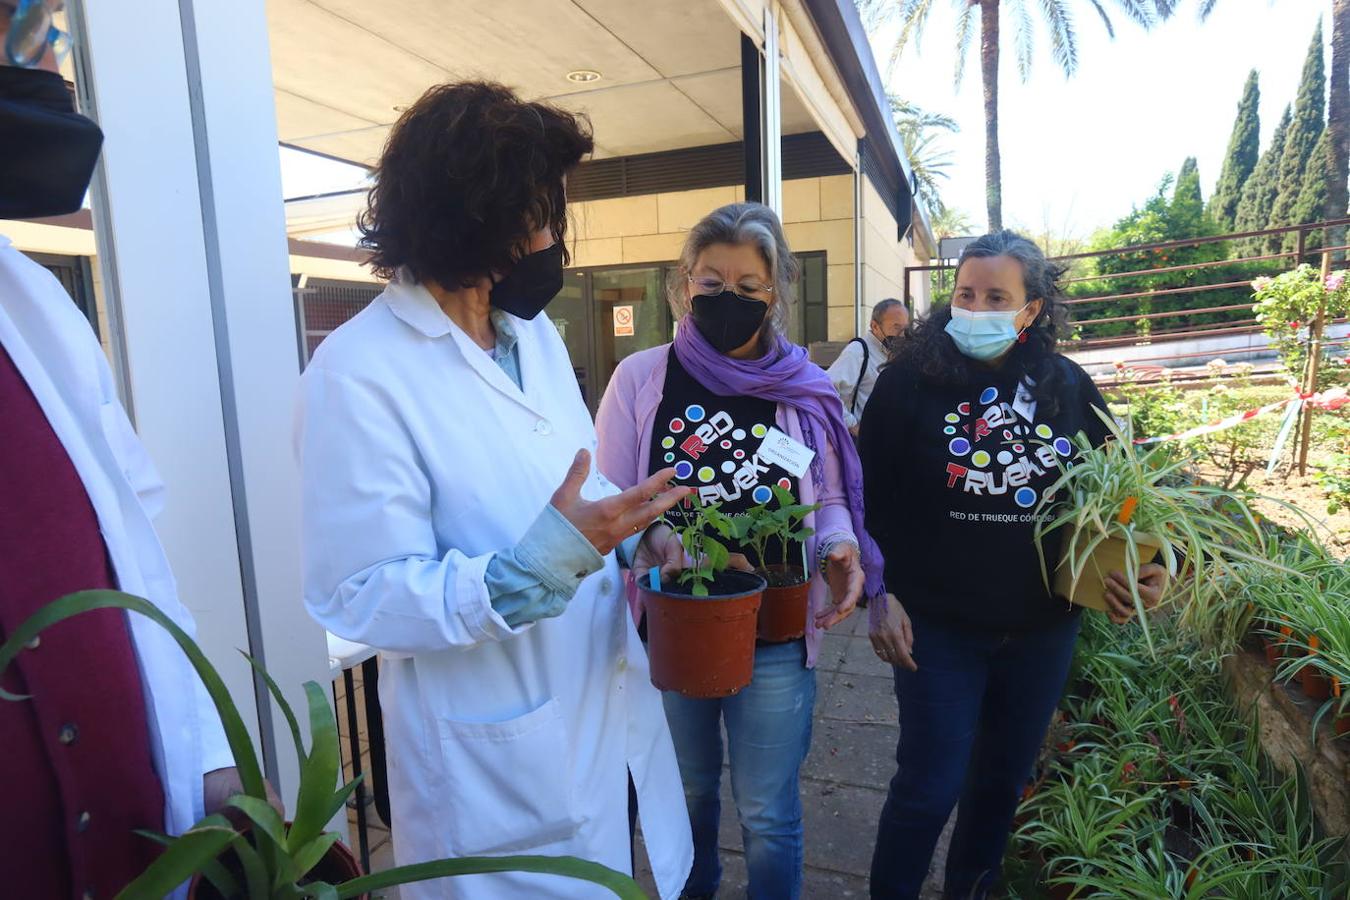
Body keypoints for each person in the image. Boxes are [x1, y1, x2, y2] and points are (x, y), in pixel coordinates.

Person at [297, 81, 695, 900]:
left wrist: (635, 527)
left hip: (585, 714)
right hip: (485, 772)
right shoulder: (360, 371)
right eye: (536, 215)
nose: (552, 238)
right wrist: (529, 572)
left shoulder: (531, 335)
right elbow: (356, 594)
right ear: (469, 219)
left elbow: (569, 471)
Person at [0, 3, 255, 896]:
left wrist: (211, 764)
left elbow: (136, 556)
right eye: (12, 18)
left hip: (136, 840)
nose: (36, 41)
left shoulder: (32, 304)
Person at [860, 231, 1167, 899]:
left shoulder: (1068, 388)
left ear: (1031, 309)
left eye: (997, 296)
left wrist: (1149, 565)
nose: (976, 306)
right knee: (928, 786)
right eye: (966, 293)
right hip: (936, 631)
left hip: (1040, 630)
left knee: (999, 785)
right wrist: (878, 595)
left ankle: (971, 890)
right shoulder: (907, 384)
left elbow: (1126, 495)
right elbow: (866, 502)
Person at [595, 202, 885, 900]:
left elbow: (831, 493)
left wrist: (840, 544)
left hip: (776, 628)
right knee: (688, 796)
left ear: (777, 290)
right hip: (675, 625)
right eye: (712, 282)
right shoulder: (641, 378)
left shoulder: (806, 389)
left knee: (769, 813)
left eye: (749, 287)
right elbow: (608, 499)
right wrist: (661, 541)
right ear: (684, 283)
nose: (729, 299)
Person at [827, 298, 908, 435]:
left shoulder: (895, 352)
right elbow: (826, 391)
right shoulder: (857, 352)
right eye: (896, 327)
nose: (902, 334)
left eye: (905, 328)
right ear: (875, 326)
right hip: (863, 443)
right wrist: (853, 426)